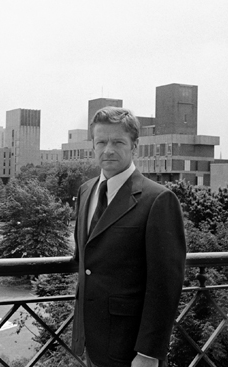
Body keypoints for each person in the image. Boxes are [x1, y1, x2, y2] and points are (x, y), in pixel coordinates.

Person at [71, 107, 186, 367]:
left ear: (134, 147)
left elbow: (166, 285)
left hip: (131, 349)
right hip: (90, 341)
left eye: (118, 142)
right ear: (93, 145)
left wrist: (148, 353)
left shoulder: (158, 199)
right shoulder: (86, 190)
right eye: (101, 142)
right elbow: (87, 257)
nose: (108, 149)